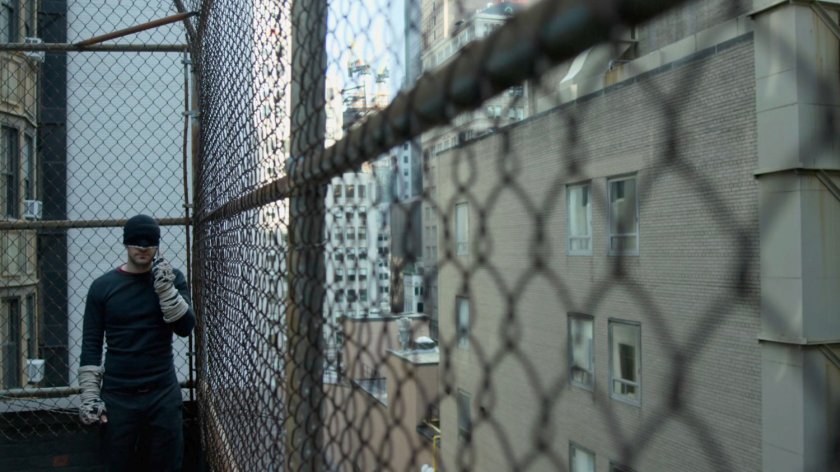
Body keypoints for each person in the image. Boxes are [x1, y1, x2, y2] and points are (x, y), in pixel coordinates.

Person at [78, 214, 195, 471]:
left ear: (157, 245)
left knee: (167, 465)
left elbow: (185, 328)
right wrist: (90, 397)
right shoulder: (102, 287)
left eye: (149, 242)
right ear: (126, 243)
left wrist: (166, 290)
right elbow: (91, 344)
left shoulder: (171, 278)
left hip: (162, 392)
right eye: (136, 242)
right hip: (118, 395)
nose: (143, 247)